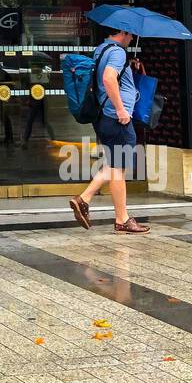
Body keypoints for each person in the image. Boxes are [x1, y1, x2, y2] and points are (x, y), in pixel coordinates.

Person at [68, 29, 149, 234]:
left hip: (105, 117)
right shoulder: (118, 52)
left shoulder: (102, 49)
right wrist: (121, 109)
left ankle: (84, 200)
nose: (131, 38)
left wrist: (130, 69)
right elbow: (108, 78)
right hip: (116, 117)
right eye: (130, 35)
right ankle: (121, 219)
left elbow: (114, 77)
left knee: (114, 165)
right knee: (118, 169)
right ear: (121, 32)